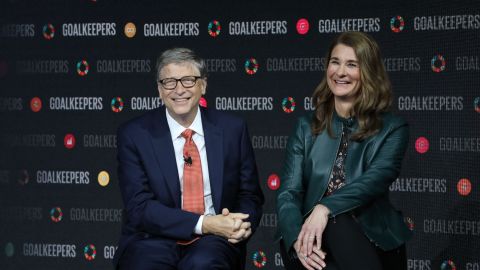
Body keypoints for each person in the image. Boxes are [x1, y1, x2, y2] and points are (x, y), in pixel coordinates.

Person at [114, 47, 264, 270]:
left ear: (203, 85)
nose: (179, 89)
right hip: (153, 238)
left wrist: (238, 224)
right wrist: (206, 224)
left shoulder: (232, 129)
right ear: (159, 89)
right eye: (170, 82)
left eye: (188, 80)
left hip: (214, 241)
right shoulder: (134, 134)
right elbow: (139, 208)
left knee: (203, 265)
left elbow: (249, 194)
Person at [276, 32, 412, 270]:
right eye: (335, 62)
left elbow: (375, 180)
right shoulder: (306, 126)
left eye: (352, 64)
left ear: (368, 72)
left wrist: (325, 208)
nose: (340, 72)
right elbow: (289, 193)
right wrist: (296, 237)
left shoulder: (392, 128)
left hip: (372, 239)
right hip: (310, 241)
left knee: (337, 223)